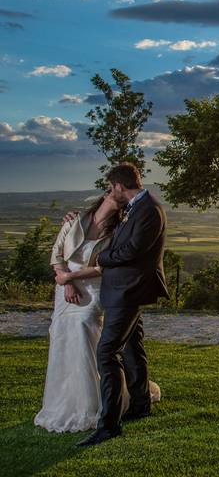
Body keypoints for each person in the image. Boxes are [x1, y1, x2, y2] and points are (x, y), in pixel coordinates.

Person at [35, 191, 161, 433]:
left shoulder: (117, 231)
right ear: (107, 193)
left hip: (93, 290)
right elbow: (57, 253)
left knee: (85, 330)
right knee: (62, 335)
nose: (119, 200)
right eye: (116, 195)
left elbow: (105, 266)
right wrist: (66, 282)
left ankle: (94, 403)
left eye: (123, 201)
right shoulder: (75, 220)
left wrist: (72, 276)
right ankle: (65, 400)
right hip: (65, 288)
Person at [75, 162, 170, 447]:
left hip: (130, 290)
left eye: (110, 187)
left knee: (107, 352)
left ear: (119, 186)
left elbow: (132, 250)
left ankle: (109, 425)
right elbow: (112, 233)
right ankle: (140, 405)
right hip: (124, 289)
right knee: (132, 347)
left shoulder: (150, 210)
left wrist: (101, 259)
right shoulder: (132, 208)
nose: (109, 192)